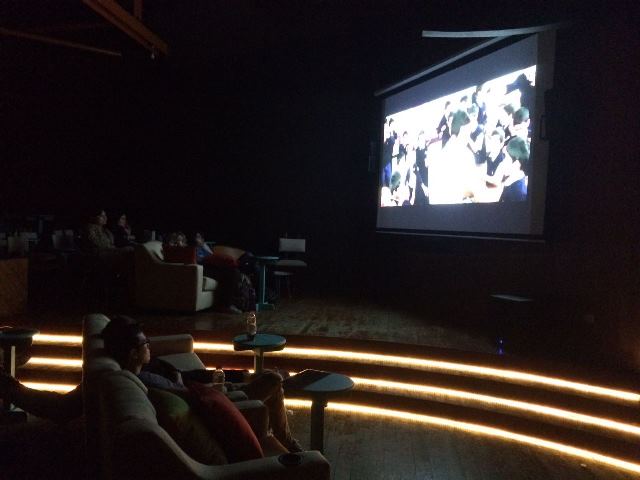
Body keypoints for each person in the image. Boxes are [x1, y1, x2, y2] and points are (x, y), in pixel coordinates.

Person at [0, 316, 302, 452]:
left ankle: (283, 437)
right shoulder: (139, 379)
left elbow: (62, 407)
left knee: (273, 379)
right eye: (146, 343)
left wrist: (237, 376)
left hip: (210, 391)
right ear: (133, 353)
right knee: (275, 379)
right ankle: (288, 444)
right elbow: (61, 409)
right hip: (217, 400)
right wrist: (13, 389)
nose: (150, 346)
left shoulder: (144, 366)